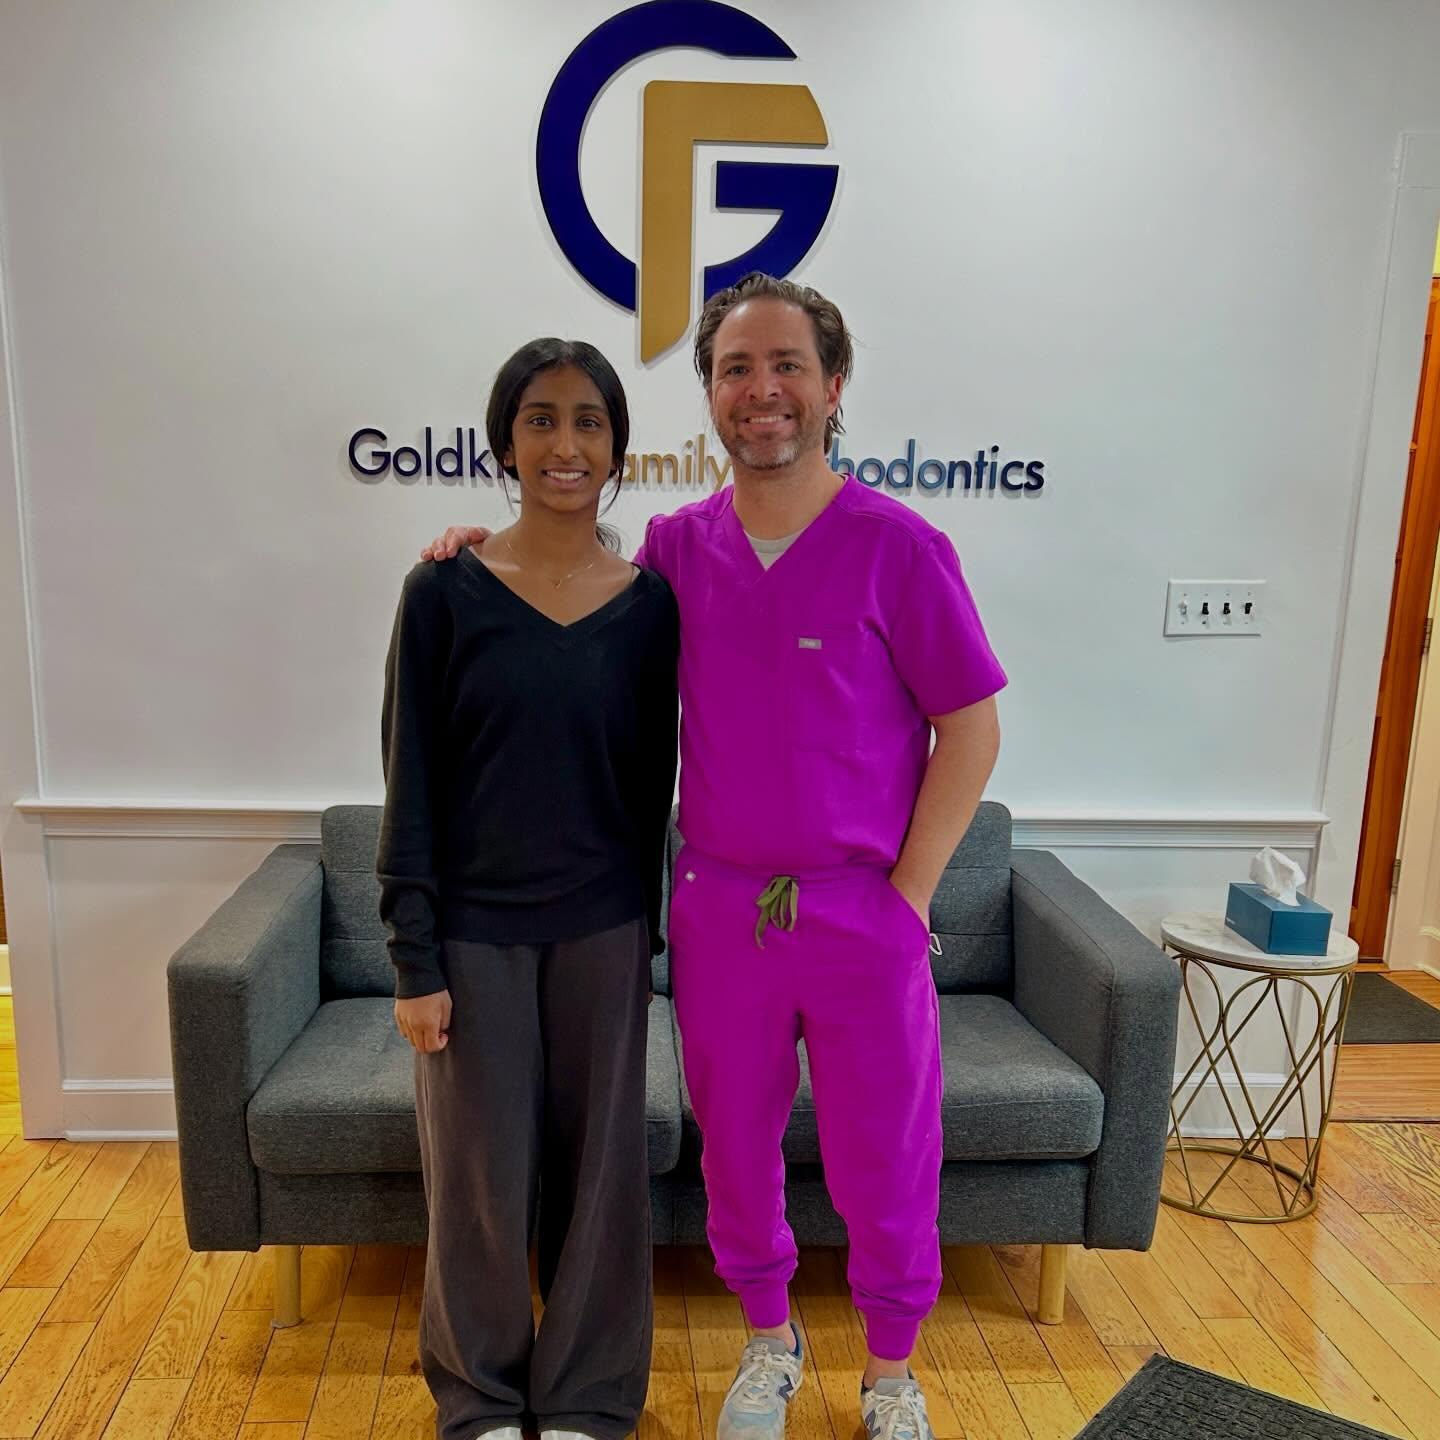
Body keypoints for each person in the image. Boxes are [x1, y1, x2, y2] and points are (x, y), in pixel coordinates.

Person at [422, 274, 1004, 1440]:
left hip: (860, 913)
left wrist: (907, 898)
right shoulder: (677, 553)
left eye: (787, 364)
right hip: (722, 910)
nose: (762, 390)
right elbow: (573, 600)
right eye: (736, 368)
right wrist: (480, 555)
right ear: (710, 394)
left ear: (834, 385)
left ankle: (892, 1374)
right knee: (734, 1149)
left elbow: (971, 729)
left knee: (886, 1154)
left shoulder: (900, 548)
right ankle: (768, 1344)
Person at [381, 337, 679, 1440]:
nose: (566, 444)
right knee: (479, 1183)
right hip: (473, 939)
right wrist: (414, 958)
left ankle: (591, 1396)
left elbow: (651, 786)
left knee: (604, 1185)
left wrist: (648, 938)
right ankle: (482, 1400)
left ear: (617, 448)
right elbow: (410, 779)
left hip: (604, 931)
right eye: (541, 418)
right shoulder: (441, 592)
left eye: (589, 421)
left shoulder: (650, 606)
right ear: (505, 442)